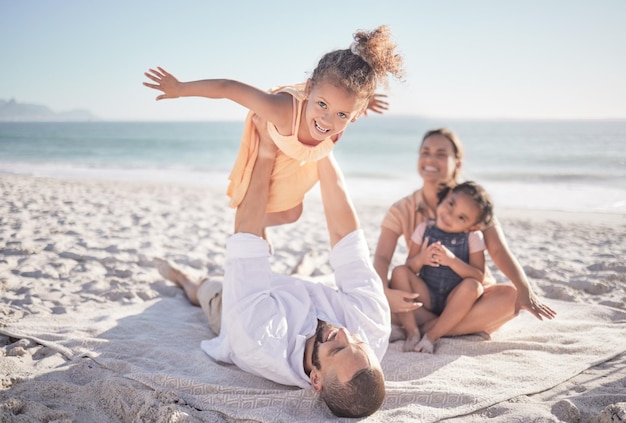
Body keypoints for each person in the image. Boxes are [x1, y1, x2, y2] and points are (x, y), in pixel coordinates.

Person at [156, 116, 391, 418]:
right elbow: (348, 240)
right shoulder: (372, 326)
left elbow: (244, 235)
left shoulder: (258, 338)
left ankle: (183, 278)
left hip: (237, 307)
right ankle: (298, 275)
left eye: (337, 350)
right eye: (358, 342)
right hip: (296, 299)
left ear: (315, 380)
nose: (344, 333)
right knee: (296, 286)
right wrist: (322, 145)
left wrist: (266, 149)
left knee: (206, 290)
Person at [143, 25, 404, 232]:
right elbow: (229, 88)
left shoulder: (345, 112)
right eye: (322, 104)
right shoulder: (281, 110)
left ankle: (257, 225)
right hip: (274, 139)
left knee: (292, 213)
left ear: (355, 115)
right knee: (255, 208)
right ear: (309, 89)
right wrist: (180, 89)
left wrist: (363, 104)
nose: (326, 120)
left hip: (299, 154)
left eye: (342, 114)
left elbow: (344, 103)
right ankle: (248, 227)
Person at [373, 128, 556, 345]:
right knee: (384, 295)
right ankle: (454, 326)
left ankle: (425, 330)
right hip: (425, 299)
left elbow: (497, 249)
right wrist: (384, 292)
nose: (431, 159)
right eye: (425, 152)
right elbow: (383, 257)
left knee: (512, 297)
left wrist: (525, 289)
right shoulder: (402, 208)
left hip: (471, 299)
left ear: (457, 163)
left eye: (441, 154)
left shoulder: (473, 203)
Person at [391, 181, 495, 353]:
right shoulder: (424, 229)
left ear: (472, 226)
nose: (450, 215)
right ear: (447, 196)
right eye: (451, 204)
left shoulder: (473, 237)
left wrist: (452, 261)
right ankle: (412, 333)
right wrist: (421, 259)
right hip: (427, 296)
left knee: (473, 286)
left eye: (461, 217)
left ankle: (431, 336)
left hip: (454, 299)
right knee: (399, 272)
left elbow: (478, 276)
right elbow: (409, 267)